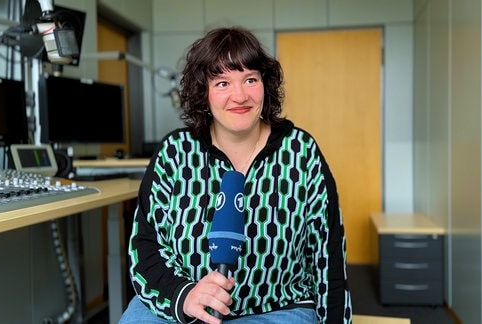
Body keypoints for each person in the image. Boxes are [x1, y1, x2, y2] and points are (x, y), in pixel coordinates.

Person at [119, 26, 352, 324]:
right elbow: (145, 245)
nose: (239, 95)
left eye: (250, 79)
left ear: (265, 85)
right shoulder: (174, 153)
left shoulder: (300, 151)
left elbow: (328, 255)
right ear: (203, 93)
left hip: (277, 310)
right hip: (178, 307)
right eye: (222, 83)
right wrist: (185, 296)